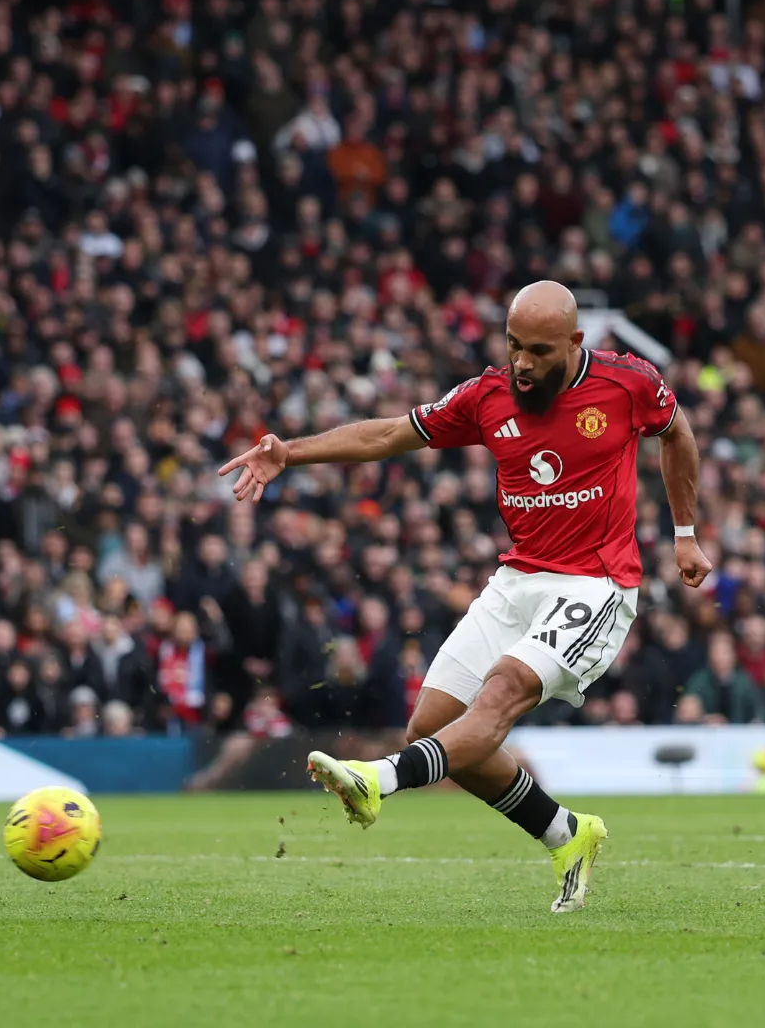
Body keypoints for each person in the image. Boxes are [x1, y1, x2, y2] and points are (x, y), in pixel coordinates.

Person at [219, 281, 710, 911]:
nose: (523, 363)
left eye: (538, 350)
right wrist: (291, 452)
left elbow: (678, 433)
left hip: (596, 583)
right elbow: (386, 436)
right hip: (516, 581)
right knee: (433, 726)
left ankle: (379, 780)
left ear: (575, 342)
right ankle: (568, 834)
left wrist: (686, 534)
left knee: (500, 694)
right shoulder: (487, 395)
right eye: (513, 346)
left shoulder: (626, 383)